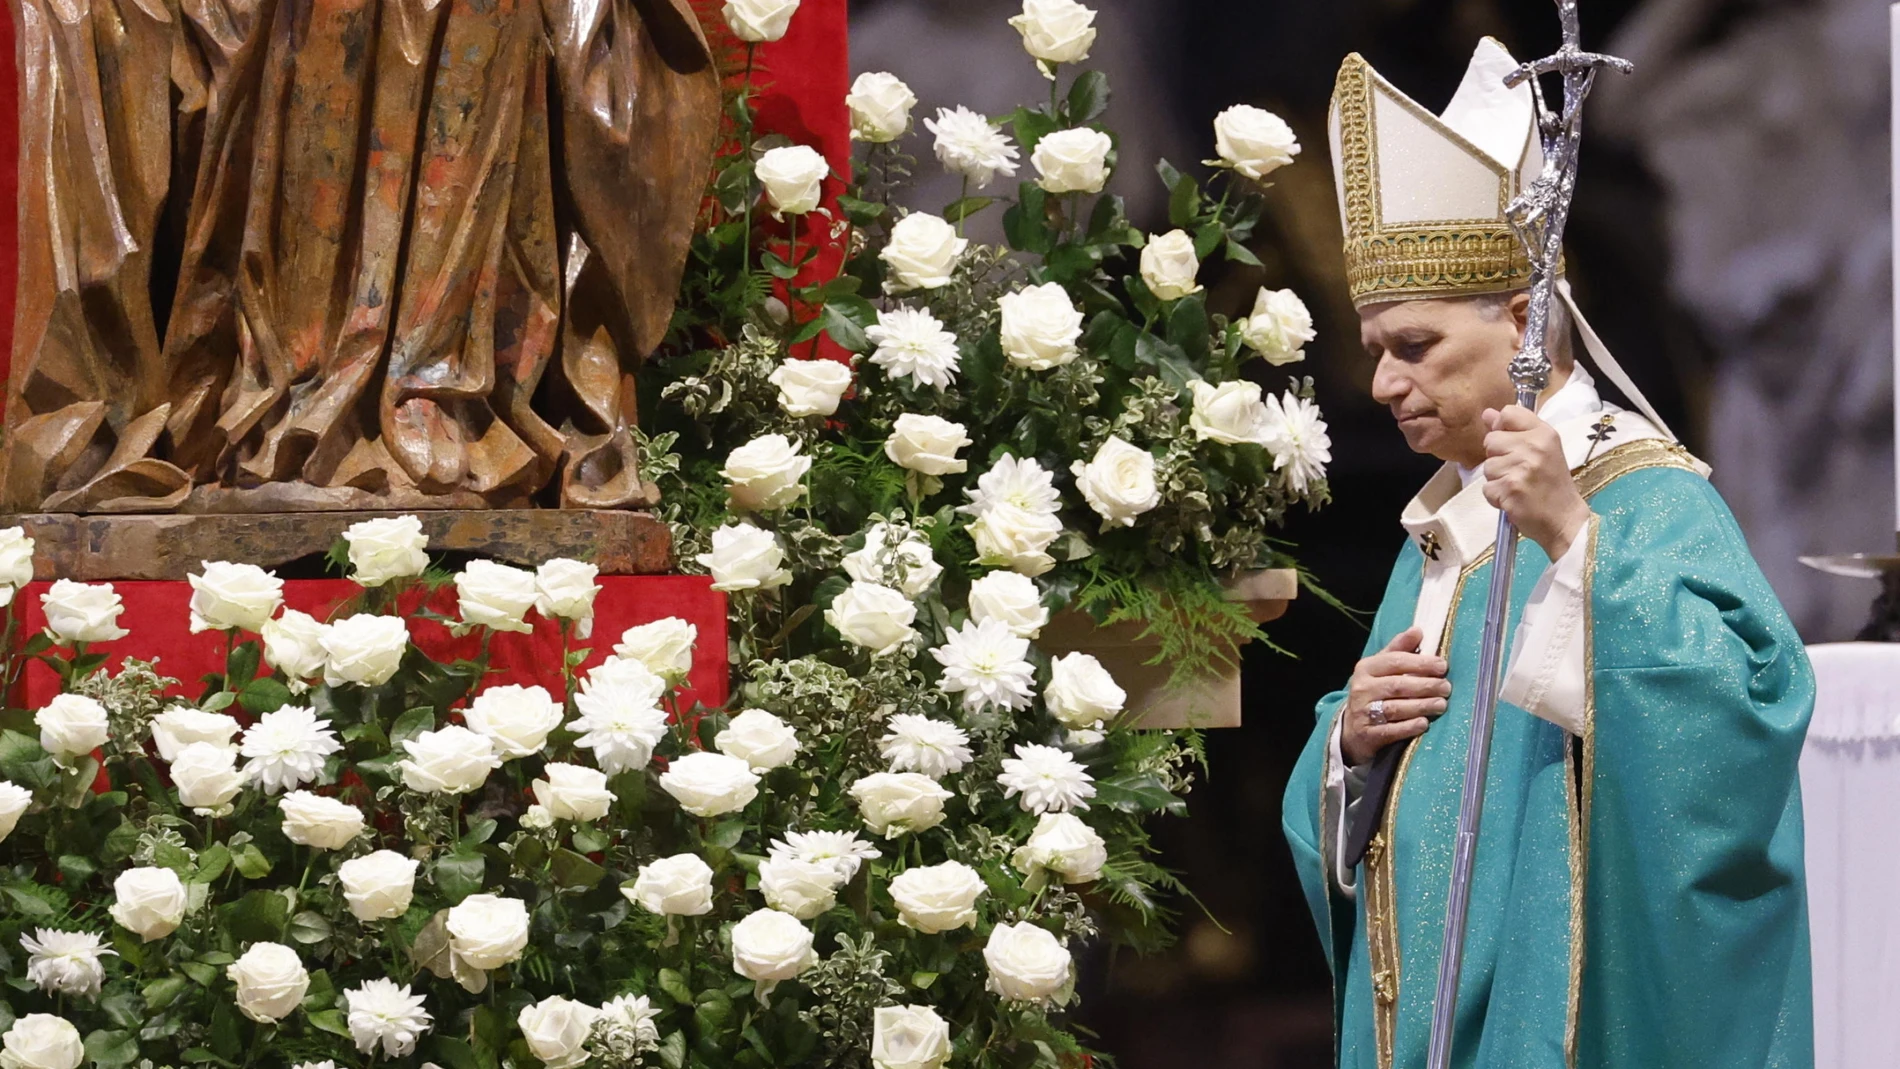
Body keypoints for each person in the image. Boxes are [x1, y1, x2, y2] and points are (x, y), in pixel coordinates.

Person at [1281, 39, 1814, 1069]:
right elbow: (1368, 776)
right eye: (1374, 349)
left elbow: (1743, 726)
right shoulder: (1442, 522)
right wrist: (1348, 743)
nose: (1383, 386)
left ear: (1523, 318)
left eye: (1414, 347)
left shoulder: (1642, 499)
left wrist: (1574, 540)